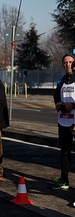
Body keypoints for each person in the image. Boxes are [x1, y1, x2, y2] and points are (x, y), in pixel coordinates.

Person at [51, 53, 75, 191]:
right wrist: (58, 103)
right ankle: (64, 179)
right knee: (65, 152)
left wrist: (73, 105)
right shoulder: (61, 80)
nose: (68, 65)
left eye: (70, 62)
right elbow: (56, 96)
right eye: (65, 62)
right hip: (64, 121)